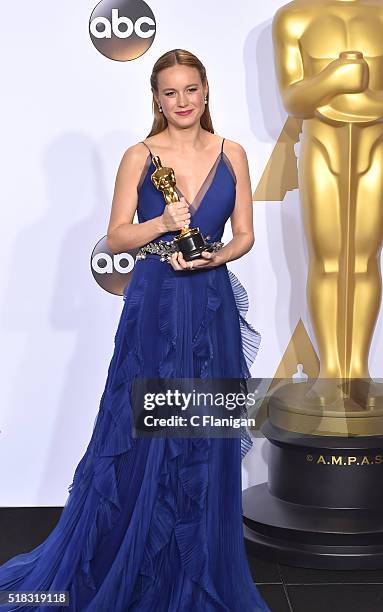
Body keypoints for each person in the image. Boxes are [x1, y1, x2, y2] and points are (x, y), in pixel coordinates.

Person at [0, 49, 269, 611]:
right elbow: (117, 238)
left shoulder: (234, 153)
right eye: (170, 93)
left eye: (190, 90)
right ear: (156, 98)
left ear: (205, 91)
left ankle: (199, 567)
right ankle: (136, 560)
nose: (182, 102)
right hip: (156, 306)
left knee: (205, 430)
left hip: (211, 300)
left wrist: (213, 257)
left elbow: (244, 234)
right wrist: (162, 224)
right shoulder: (139, 156)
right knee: (145, 432)